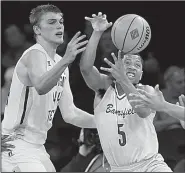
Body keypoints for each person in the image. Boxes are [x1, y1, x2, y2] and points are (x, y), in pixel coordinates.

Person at [1, 4, 96, 172]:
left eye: (61, 21)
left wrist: (106, 122)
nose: (59, 25)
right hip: (17, 144)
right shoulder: (34, 54)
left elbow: (71, 114)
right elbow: (41, 86)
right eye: (51, 22)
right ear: (37, 29)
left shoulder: (60, 64)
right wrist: (67, 59)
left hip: (37, 146)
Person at [79, 12, 172, 172]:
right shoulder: (104, 88)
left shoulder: (147, 90)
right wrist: (97, 33)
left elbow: (142, 111)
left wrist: (123, 80)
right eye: (127, 62)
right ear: (117, 64)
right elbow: (85, 68)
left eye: (137, 65)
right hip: (118, 169)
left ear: (141, 75)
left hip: (150, 165)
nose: (132, 66)